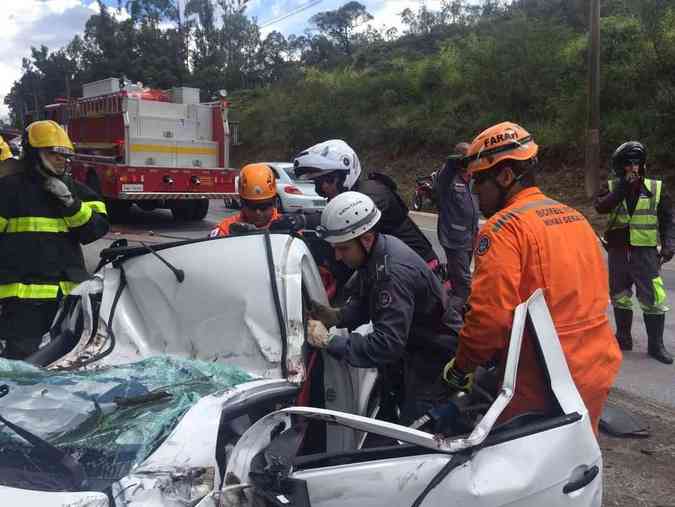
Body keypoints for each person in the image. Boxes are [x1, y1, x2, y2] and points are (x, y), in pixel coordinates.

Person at [441, 121, 622, 434]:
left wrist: (462, 367)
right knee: (576, 467)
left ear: (506, 176)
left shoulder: (502, 229)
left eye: (477, 184)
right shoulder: (575, 218)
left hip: (541, 379)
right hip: (595, 369)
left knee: (523, 472)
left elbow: (488, 320)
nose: (475, 196)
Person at [306, 191, 456, 424]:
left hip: (435, 358)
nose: (336, 256)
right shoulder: (378, 251)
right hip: (416, 347)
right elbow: (369, 301)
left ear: (365, 239)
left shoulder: (392, 273)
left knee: (416, 430)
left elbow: (387, 345)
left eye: (343, 248)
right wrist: (338, 317)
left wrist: (330, 342)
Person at [0, 120, 110, 360]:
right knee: (23, 369)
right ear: (33, 154)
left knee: (67, 364)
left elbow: (95, 230)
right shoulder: (8, 190)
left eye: (65, 155)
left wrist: (71, 204)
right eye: (53, 153)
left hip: (68, 302)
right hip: (22, 305)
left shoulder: (77, 191)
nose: (61, 160)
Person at [293, 140, 439, 266]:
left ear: (345, 176)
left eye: (327, 180)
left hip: (419, 272)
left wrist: (302, 220)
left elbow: (342, 219)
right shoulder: (354, 196)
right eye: (317, 183)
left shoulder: (373, 193)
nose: (322, 188)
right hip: (390, 267)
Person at [594, 141, 674, 364]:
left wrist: (669, 245)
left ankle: (656, 345)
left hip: (645, 253)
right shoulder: (612, 187)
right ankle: (623, 337)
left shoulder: (656, 188)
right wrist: (622, 189)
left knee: (653, 299)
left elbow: (668, 219)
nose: (632, 168)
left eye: (635, 164)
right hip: (618, 252)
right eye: (627, 165)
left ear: (641, 165)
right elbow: (601, 207)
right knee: (619, 296)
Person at [435, 142, 479, 308]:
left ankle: (449, 303)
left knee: (459, 276)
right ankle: (461, 315)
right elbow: (449, 166)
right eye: (468, 158)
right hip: (454, 238)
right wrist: (459, 160)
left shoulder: (472, 178)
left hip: (470, 237)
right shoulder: (447, 177)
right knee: (464, 281)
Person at [211, 163, 281, 236]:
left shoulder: (286, 226)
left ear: (274, 202)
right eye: (252, 207)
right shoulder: (225, 228)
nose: (258, 212)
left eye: (264, 207)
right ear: (242, 203)